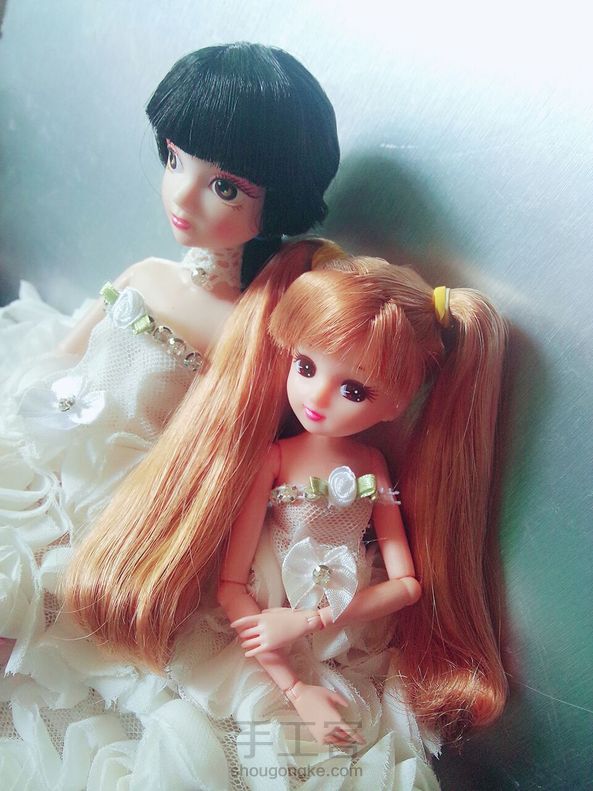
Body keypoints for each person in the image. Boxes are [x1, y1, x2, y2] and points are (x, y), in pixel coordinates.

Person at [0, 42, 339, 787]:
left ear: (275, 201)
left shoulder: (248, 335)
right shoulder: (147, 273)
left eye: (223, 186)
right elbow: (60, 356)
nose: (181, 195)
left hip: (125, 500)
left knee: (25, 608)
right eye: (175, 159)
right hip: (46, 450)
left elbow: (229, 456)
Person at [66, 255, 507, 786]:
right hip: (266, 609)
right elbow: (231, 588)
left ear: (395, 405)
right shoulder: (273, 459)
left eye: (354, 390)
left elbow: (408, 585)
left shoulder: (374, 466)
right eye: (305, 366)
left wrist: (312, 620)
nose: (316, 397)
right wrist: (295, 688)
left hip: (347, 625)